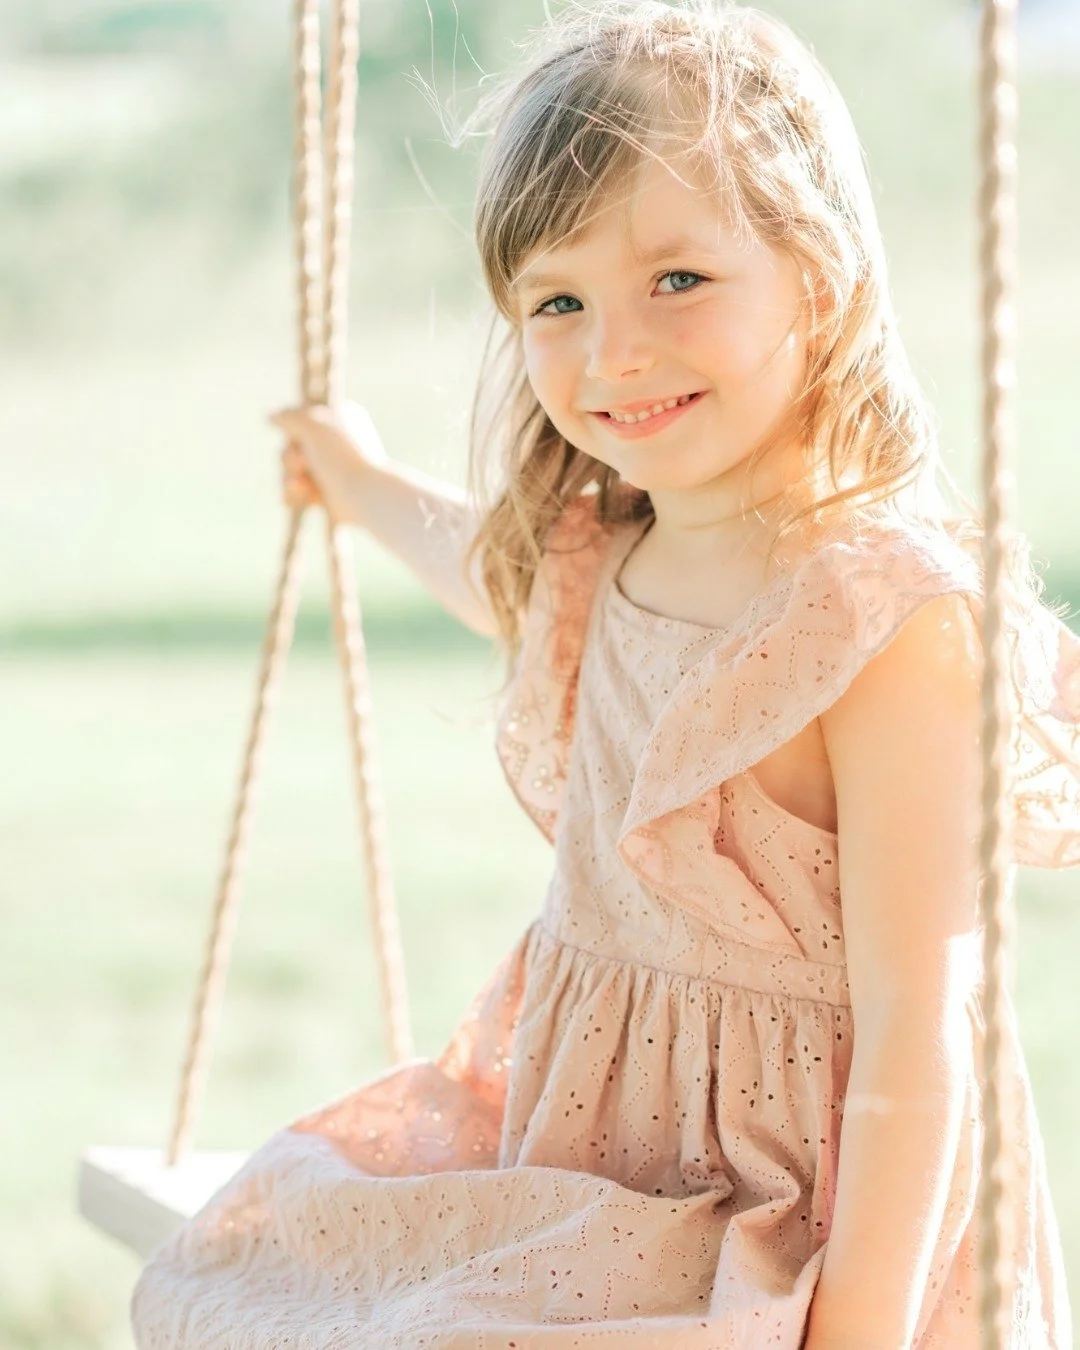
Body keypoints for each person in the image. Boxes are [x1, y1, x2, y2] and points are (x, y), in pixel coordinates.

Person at [131, 3, 1080, 1346]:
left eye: (676, 281)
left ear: (817, 276)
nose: (614, 352)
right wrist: (358, 481)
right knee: (270, 1275)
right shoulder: (598, 561)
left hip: (811, 1234)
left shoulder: (888, 623)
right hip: (601, 1182)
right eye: (558, 303)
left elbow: (920, 1023)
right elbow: (487, 574)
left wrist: (856, 1332)